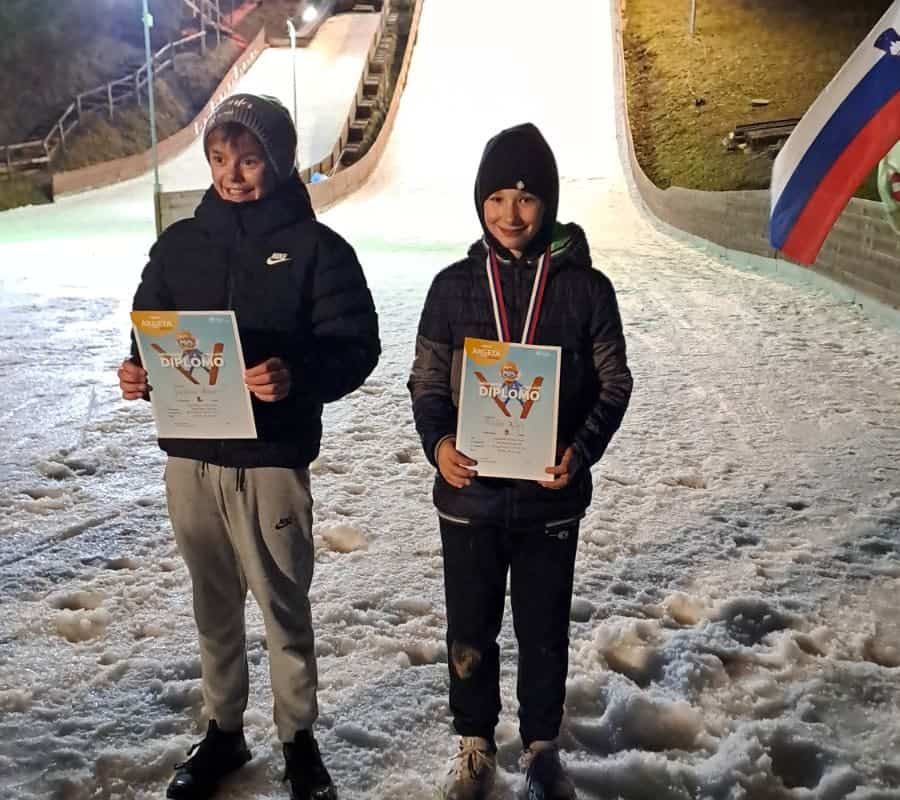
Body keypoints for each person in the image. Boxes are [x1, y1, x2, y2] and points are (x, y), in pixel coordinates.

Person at [118, 93, 380, 800]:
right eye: (219, 158)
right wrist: (138, 368)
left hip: (270, 461)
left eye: (250, 159)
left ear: (280, 161)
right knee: (213, 604)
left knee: (282, 606)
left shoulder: (318, 249)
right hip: (192, 458)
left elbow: (356, 346)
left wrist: (296, 377)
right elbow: (151, 325)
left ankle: (298, 739)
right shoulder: (180, 244)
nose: (232, 174)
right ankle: (223, 730)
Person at [408, 123, 632, 800]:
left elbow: (614, 383)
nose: (511, 214)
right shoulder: (451, 288)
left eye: (527, 199)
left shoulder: (587, 290)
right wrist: (440, 447)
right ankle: (474, 742)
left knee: (543, 631)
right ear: (481, 201)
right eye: (497, 198)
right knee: (469, 630)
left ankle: (540, 748)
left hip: (547, 499)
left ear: (549, 204)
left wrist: (579, 451)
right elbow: (426, 383)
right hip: (470, 497)